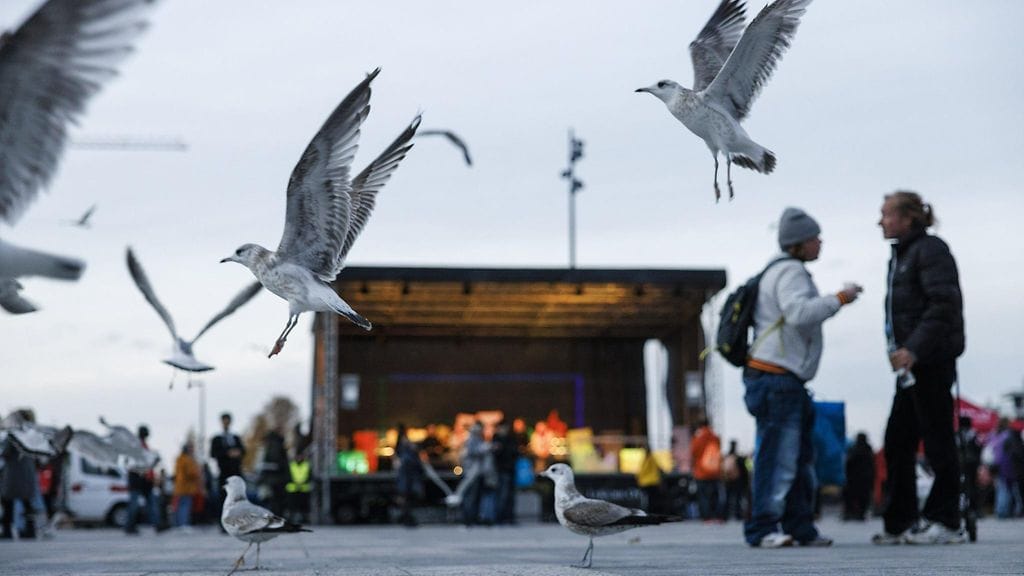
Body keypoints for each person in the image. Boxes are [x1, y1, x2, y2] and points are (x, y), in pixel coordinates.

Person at [743, 207, 862, 548]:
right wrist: (840, 298)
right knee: (779, 458)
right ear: (799, 243)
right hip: (778, 378)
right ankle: (764, 528)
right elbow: (799, 314)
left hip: (778, 379)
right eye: (815, 237)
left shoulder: (775, 269)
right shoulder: (792, 272)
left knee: (795, 458)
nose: (820, 242)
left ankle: (798, 527)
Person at [873, 191, 966, 545]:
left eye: (886, 214)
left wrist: (913, 348)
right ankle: (900, 521)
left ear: (907, 218)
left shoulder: (930, 250)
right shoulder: (902, 255)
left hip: (930, 361)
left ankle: (946, 520)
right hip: (909, 367)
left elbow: (944, 305)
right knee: (897, 441)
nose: (880, 221)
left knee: (938, 439)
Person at [125, 425, 165, 535]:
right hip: (137, 480)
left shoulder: (144, 446)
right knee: (135, 505)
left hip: (146, 481)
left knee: (151, 504)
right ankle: (129, 526)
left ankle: (157, 525)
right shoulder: (136, 447)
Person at [209, 411, 246, 523]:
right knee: (224, 498)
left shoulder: (235, 437)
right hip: (224, 473)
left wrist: (238, 453)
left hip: (236, 472)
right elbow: (213, 454)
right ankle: (225, 522)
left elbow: (244, 451)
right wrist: (227, 453)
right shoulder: (217, 439)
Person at [690, 419, 723, 522]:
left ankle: (706, 517)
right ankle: (717, 516)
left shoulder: (698, 438)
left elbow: (693, 453)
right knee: (715, 495)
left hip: (701, 472)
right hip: (714, 471)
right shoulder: (715, 437)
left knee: (703, 496)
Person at [393, 424, 424, 527]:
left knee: (405, 500)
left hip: (404, 480)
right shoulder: (408, 452)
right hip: (408, 481)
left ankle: (406, 518)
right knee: (408, 500)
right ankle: (407, 519)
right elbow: (414, 465)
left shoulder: (401, 448)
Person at [843, 433, 875, 521]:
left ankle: (850, 512)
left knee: (851, 495)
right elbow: (872, 465)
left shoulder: (853, 449)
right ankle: (860, 513)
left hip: (854, 478)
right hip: (865, 478)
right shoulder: (868, 450)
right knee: (863, 497)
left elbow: (849, 463)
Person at [258, 428, 289, 515]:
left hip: (272, 479)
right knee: (279, 501)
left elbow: (270, 463)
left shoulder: (272, 446)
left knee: (273, 501)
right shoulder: (280, 446)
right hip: (280, 478)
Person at [172, 441, 202, 529]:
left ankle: (179, 524)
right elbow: (191, 472)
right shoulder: (187, 459)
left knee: (180, 506)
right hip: (186, 487)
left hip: (180, 487)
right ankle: (184, 524)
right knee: (185, 506)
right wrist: (197, 472)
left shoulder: (179, 459)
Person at [722, 439, 749, 521]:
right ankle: (738, 515)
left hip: (728, 480)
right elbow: (745, 471)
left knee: (728, 498)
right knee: (738, 498)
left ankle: (725, 515)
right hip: (738, 481)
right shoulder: (739, 458)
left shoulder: (727, 457)